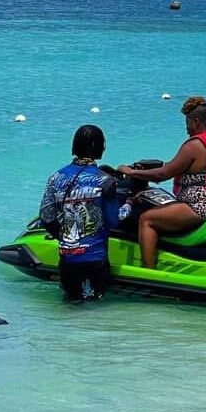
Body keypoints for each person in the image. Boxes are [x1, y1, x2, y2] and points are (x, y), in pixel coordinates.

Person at [118, 95, 206, 269]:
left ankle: (150, 272)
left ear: (196, 121)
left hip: (200, 207)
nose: (187, 129)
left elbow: (162, 174)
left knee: (146, 219)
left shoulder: (194, 145)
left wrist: (131, 171)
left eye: (188, 123)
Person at [40, 125, 122, 301]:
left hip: (68, 261)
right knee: (97, 306)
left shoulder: (56, 177)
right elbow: (113, 221)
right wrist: (128, 206)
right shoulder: (105, 180)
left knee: (71, 304)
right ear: (97, 146)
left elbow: (46, 217)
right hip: (96, 259)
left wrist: (64, 238)